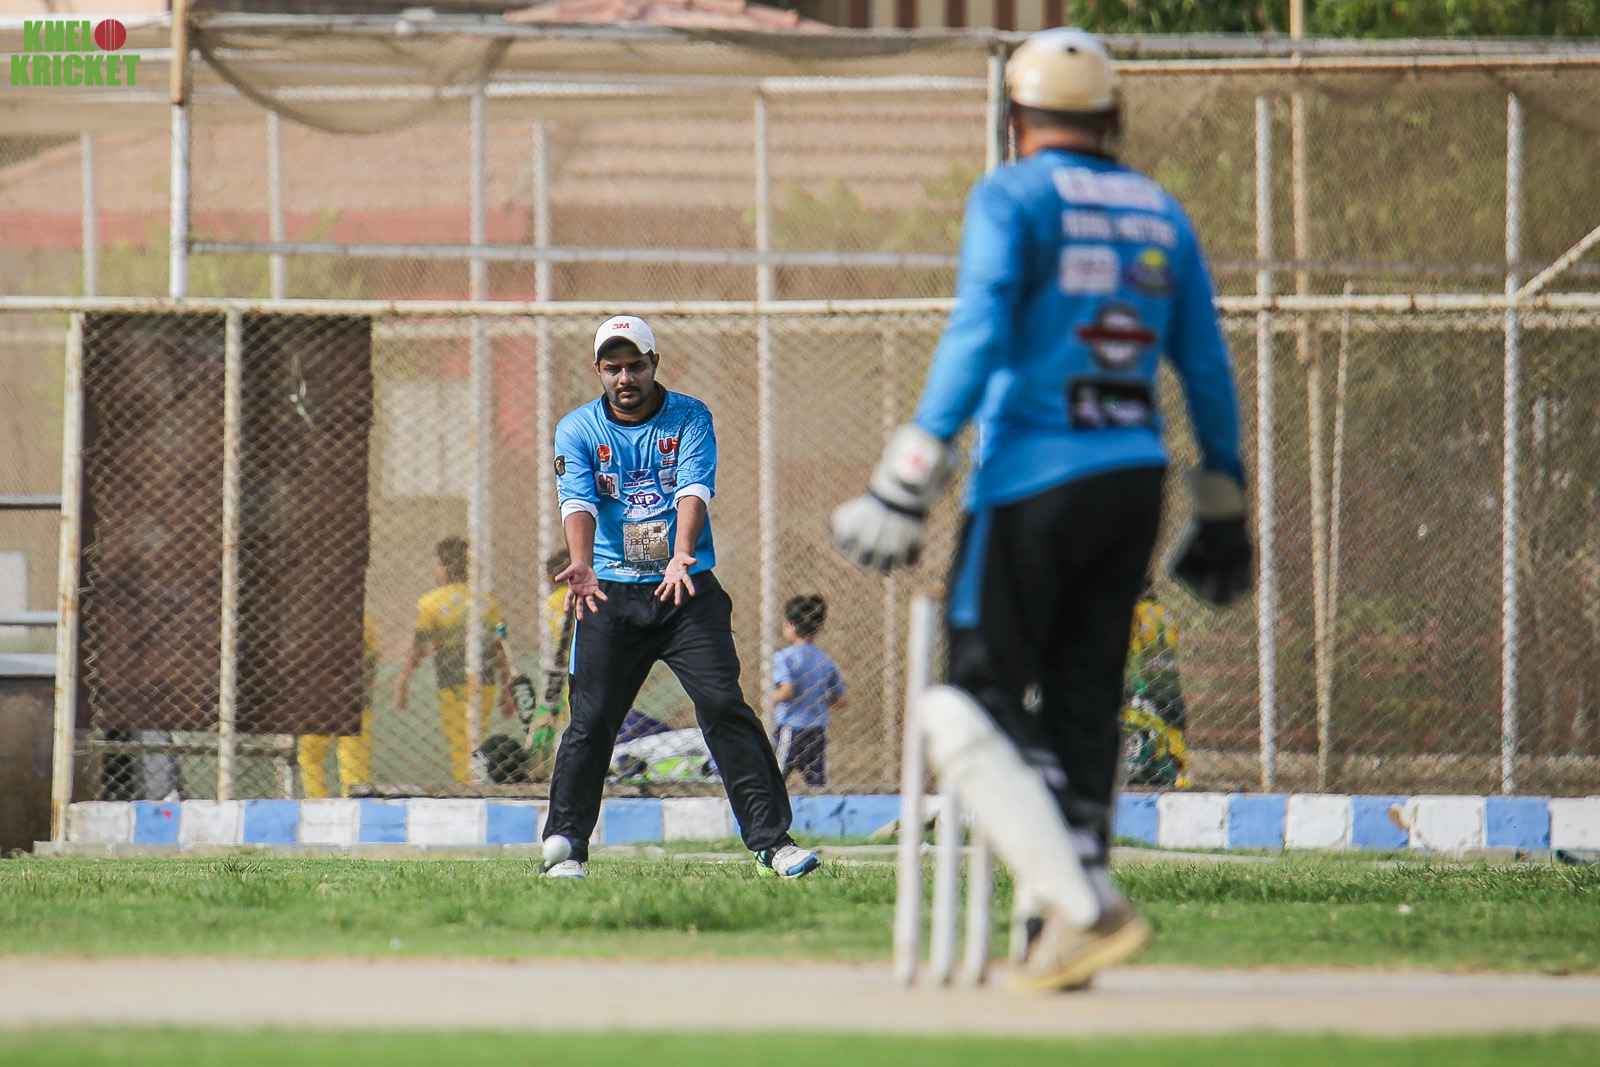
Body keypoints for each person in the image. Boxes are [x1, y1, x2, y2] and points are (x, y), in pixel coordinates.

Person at [831, 27, 1251, 991]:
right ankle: (1054, 931)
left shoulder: (1012, 195)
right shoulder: (1159, 210)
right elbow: (1205, 363)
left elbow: (979, 327)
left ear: (1014, 117)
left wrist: (908, 472)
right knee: (1082, 701)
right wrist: (1223, 499)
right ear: (1112, 119)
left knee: (966, 703)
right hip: (1133, 481)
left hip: (1028, 477)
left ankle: (1087, 905)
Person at [541, 314, 818, 880]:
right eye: (613, 367)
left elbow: (693, 488)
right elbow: (578, 501)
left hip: (684, 591)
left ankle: (772, 843)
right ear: (598, 370)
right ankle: (565, 849)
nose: (624, 377)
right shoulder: (577, 429)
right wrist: (582, 563)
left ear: (654, 364)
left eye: (635, 365)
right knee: (590, 722)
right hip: (608, 596)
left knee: (722, 706)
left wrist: (680, 553)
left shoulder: (690, 416)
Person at [394, 537, 514, 784]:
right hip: (485, 682)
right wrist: (507, 686)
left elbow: (418, 648)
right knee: (475, 740)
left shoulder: (431, 602)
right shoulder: (486, 600)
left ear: (442, 568)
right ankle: (474, 785)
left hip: (451, 683)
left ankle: (469, 789)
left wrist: (403, 681)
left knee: (460, 743)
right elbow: (499, 648)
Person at [298, 613, 379, 798]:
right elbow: (372, 660)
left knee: (310, 757)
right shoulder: (364, 619)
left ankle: (317, 802)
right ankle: (355, 806)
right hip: (356, 698)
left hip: (320, 699)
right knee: (354, 761)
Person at [771, 594, 847, 788]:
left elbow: (787, 691)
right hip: (817, 731)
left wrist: (771, 697)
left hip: (791, 727)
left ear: (791, 626)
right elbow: (841, 699)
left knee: (774, 778)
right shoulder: (824, 659)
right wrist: (817, 699)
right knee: (817, 783)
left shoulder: (784, 657)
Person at [1122, 576, 1190, 789]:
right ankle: (1177, 774)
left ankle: (1143, 769)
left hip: (1142, 683)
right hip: (1168, 681)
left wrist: (1131, 684)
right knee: (1173, 728)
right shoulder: (1162, 612)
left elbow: (1131, 649)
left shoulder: (1135, 613)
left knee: (1142, 727)